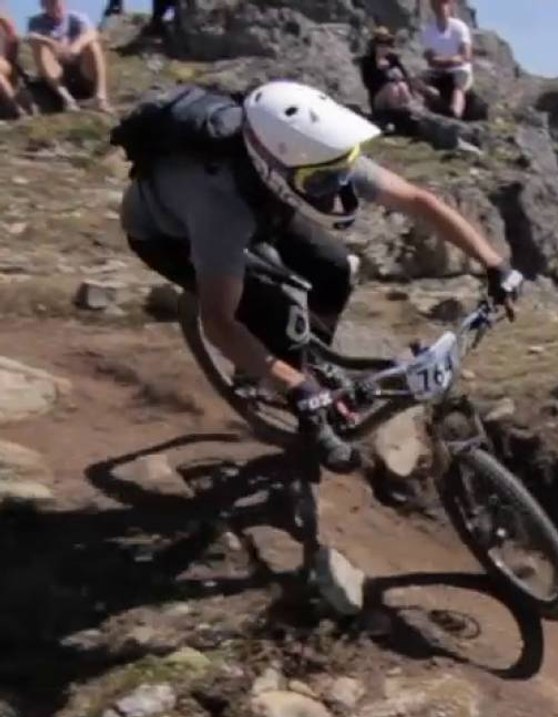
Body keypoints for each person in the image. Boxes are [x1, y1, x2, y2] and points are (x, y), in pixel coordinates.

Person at [116, 80, 524, 472]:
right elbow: (218, 323)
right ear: (271, 164)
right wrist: (298, 388)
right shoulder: (221, 206)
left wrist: (493, 263)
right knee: (271, 313)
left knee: (333, 269)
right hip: (166, 234)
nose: (336, 188)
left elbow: (418, 201)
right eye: (322, 181)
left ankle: (305, 362)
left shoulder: (312, 156)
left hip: (264, 203)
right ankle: (303, 411)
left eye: (340, 172)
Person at [26, 0, 111, 112]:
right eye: (50, 3)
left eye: (57, 2)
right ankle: (67, 100)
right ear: (43, 5)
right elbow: (31, 37)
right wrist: (51, 42)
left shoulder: (76, 17)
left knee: (93, 45)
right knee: (40, 48)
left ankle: (100, 97)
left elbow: (92, 33)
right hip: (57, 73)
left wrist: (76, 46)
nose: (56, 6)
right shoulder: (36, 22)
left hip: (82, 70)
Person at [418, 0, 472, 118]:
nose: (442, 7)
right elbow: (431, 60)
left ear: (451, 5)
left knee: (459, 85)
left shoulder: (460, 27)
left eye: (445, 3)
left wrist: (444, 61)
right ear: (433, 6)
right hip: (439, 71)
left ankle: (455, 113)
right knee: (418, 80)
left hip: (459, 70)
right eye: (439, 3)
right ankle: (431, 107)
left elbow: (466, 55)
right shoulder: (428, 31)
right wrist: (452, 60)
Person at [359, 26, 416, 117]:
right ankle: (394, 115)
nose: (384, 48)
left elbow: (405, 77)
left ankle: (407, 112)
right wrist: (381, 72)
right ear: (374, 46)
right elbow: (369, 84)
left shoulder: (393, 59)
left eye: (386, 44)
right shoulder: (368, 61)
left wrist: (400, 77)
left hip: (397, 94)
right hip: (378, 98)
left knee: (402, 87)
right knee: (391, 88)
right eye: (380, 45)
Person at [0, 4, 31, 117]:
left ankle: (17, 109)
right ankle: (17, 109)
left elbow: (13, 39)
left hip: (4, 62)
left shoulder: (3, 20)